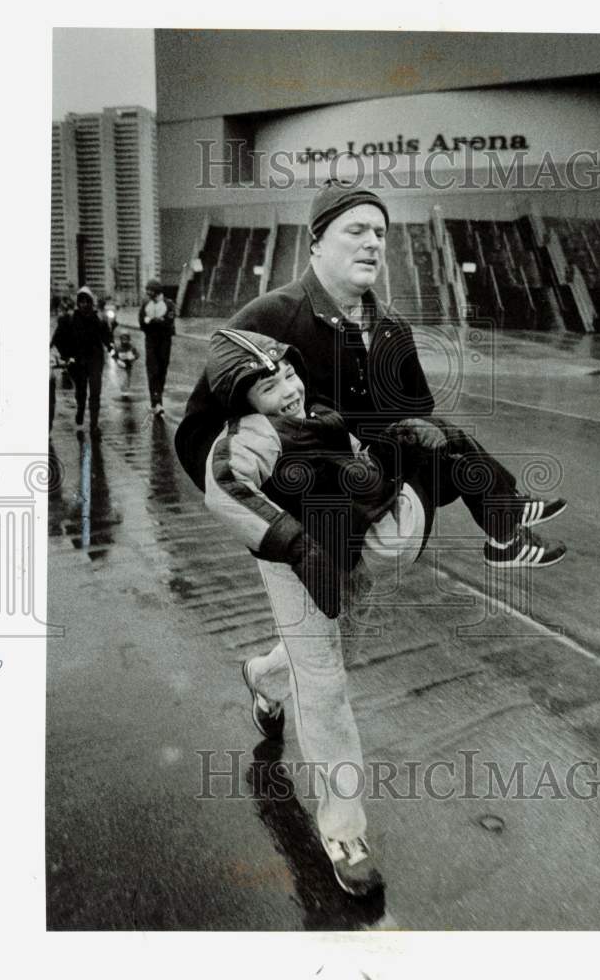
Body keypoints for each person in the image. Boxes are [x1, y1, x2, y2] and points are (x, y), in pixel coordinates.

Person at [177, 179, 567, 567]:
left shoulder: (392, 325)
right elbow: (197, 435)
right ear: (316, 243)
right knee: (315, 631)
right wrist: (279, 511)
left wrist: (407, 462)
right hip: (305, 536)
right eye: (356, 230)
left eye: (380, 232)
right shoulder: (267, 316)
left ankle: (505, 525)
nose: (373, 242)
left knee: (440, 437)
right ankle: (506, 523)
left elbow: (417, 414)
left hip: (378, 509)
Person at [204, 326, 430, 898]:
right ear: (243, 400)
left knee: (331, 657)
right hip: (292, 560)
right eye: (268, 384)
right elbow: (224, 484)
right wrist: (296, 543)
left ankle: (262, 676)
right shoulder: (247, 435)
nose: (287, 388)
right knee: (325, 684)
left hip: (345, 551)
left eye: (288, 374)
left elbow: (360, 471)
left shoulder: (320, 414)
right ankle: (344, 833)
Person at [50, 285, 111, 437]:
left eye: (87, 301)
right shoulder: (69, 320)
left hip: (95, 360)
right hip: (77, 361)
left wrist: (114, 351)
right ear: (78, 303)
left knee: (95, 392)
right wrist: (66, 356)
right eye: (81, 301)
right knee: (81, 391)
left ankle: (94, 426)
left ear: (91, 303)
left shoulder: (98, 319)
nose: (84, 304)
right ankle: (80, 409)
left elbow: (107, 339)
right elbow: (57, 339)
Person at [139, 278, 176, 415]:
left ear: (157, 291)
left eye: (150, 289)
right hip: (151, 341)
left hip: (165, 342)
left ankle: (157, 398)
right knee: (153, 370)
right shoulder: (145, 304)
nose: (148, 292)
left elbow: (169, 321)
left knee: (162, 371)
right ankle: (156, 402)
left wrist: (154, 322)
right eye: (147, 289)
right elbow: (141, 323)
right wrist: (154, 322)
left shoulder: (168, 304)